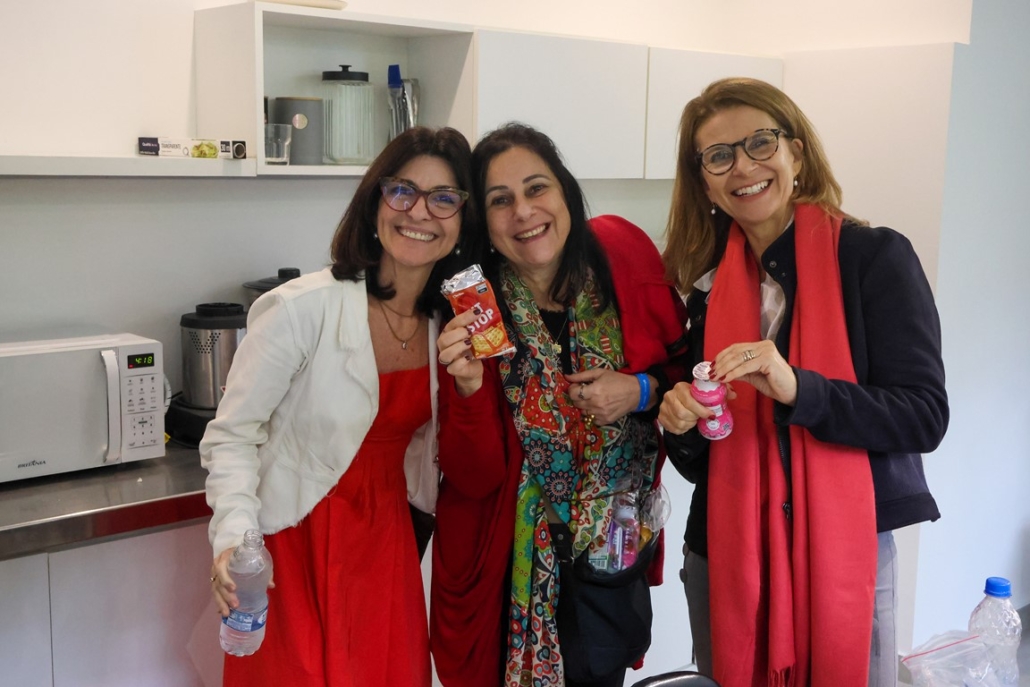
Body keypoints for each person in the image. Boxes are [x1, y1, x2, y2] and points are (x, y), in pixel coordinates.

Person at [657, 77, 949, 687]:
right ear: (705, 182)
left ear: (796, 153)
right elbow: (702, 459)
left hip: (843, 550)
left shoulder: (873, 258)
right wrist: (682, 419)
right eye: (719, 156)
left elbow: (923, 417)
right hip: (727, 553)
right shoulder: (707, 288)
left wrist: (799, 389)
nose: (743, 167)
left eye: (760, 143)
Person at [201, 126, 477, 687]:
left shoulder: (446, 326)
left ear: (461, 221)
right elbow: (233, 435)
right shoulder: (302, 309)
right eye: (403, 191)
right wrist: (232, 538)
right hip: (294, 538)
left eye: (444, 198)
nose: (419, 212)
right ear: (376, 202)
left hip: (387, 546)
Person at [430, 123, 688, 687]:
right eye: (500, 200)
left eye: (536, 188)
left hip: (612, 557)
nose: (523, 211)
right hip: (510, 571)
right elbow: (474, 478)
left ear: (566, 192)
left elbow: (685, 373)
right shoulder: (473, 312)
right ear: (484, 222)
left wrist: (639, 391)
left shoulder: (622, 258)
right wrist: (469, 390)